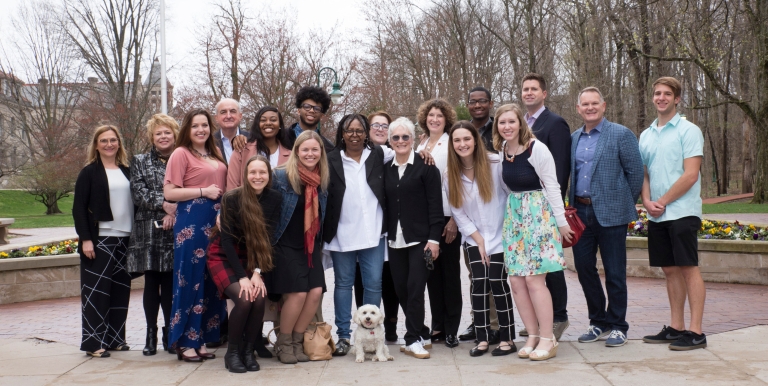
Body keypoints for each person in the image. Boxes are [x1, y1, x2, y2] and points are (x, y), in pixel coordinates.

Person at [494, 103, 573, 361]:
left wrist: (561, 223)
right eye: (502, 122)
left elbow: (552, 185)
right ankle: (532, 335)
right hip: (515, 218)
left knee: (534, 280)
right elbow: (506, 189)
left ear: (521, 123)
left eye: (511, 122)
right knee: (516, 281)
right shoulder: (503, 151)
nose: (507, 127)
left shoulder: (536, 148)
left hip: (539, 215)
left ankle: (548, 338)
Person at [569, 87, 643, 348]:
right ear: (578, 108)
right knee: (584, 269)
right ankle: (598, 321)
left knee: (614, 271)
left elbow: (635, 173)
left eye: (594, 103)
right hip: (580, 212)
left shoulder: (621, 134)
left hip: (612, 214)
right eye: (585, 104)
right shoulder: (574, 138)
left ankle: (618, 325)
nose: (590, 108)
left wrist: (622, 203)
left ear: (604, 105)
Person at [640, 77, 707, 351]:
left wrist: (663, 200)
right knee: (669, 270)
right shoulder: (645, 135)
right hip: (657, 213)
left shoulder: (689, 131)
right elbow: (644, 174)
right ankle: (676, 327)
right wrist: (646, 200)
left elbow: (691, 175)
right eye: (657, 93)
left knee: (688, 268)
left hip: (682, 211)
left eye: (667, 94)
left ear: (677, 99)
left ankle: (696, 332)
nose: (661, 98)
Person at [445, 121, 516, 357]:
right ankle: (482, 338)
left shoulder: (495, 164)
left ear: (475, 140)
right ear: (452, 144)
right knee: (478, 284)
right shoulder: (450, 174)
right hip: (474, 238)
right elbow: (458, 211)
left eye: (466, 139)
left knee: (498, 282)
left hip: (501, 235)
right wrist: (478, 240)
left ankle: (506, 338)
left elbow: (509, 196)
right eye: (457, 140)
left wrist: (505, 235)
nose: (462, 144)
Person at [324, 114, 392, 356]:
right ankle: (343, 335)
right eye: (349, 130)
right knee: (343, 284)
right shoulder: (331, 158)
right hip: (342, 231)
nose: (354, 134)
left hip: (372, 230)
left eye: (359, 130)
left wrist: (423, 152)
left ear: (366, 133)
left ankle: (373, 337)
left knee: (373, 284)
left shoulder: (379, 154)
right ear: (342, 134)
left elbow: (407, 153)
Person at [207, 155, 282, 372]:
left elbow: (268, 238)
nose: (257, 177)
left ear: (269, 175)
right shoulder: (232, 198)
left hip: (253, 256)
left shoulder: (274, 198)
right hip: (223, 254)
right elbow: (227, 242)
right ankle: (232, 353)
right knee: (244, 298)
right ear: (245, 175)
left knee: (258, 298)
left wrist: (257, 272)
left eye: (262, 172)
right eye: (253, 172)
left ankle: (248, 352)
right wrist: (243, 277)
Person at [164, 108, 227, 362]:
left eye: (204, 125)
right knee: (189, 278)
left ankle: (200, 338)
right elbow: (169, 193)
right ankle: (184, 341)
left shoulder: (215, 153)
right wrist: (202, 191)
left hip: (217, 222)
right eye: (194, 126)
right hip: (192, 221)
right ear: (187, 130)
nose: (200, 129)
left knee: (211, 279)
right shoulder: (180, 153)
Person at [384, 117, 444, 359]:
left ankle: (412, 339)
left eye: (405, 137)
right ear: (390, 141)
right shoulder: (385, 168)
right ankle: (421, 331)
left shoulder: (426, 166)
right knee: (402, 290)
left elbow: (435, 206)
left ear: (412, 139)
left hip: (421, 239)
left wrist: (434, 239)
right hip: (394, 240)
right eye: (396, 137)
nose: (400, 141)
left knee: (415, 287)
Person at [518, 73, 572, 341]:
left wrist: (555, 211)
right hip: (525, 212)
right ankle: (542, 321)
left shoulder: (555, 124)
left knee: (550, 265)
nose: (529, 93)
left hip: (546, 208)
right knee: (535, 267)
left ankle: (559, 317)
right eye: (525, 89)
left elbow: (559, 171)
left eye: (534, 89)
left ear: (544, 93)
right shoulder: (521, 124)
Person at [72, 125, 134, 358]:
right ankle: (93, 343)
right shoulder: (89, 172)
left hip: (125, 238)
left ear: (119, 143)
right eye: (104, 140)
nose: (109, 144)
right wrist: (86, 239)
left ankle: (116, 339)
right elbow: (78, 208)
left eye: (113, 140)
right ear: (96, 145)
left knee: (120, 291)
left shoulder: (127, 171)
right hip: (100, 239)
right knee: (96, 293)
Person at [270, 131, 329, 364]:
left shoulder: (322, 177)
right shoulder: (281, 176)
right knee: (297, 293)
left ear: (321, 152)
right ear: (296, 151)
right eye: (305, 149)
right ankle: (283, 343)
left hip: (310, 245)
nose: (310, 154)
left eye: (315, 149)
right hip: (284, 243)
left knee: (315, 293)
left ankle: (296, 341)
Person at [127, 114, 178, 356]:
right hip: (148, 228)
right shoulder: (138, 161)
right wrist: (165, 204)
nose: (163, 136)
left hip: (176, 226)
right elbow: (139, 193)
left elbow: (186, 188)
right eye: (159, 133)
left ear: (175, 134)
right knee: (151, 282)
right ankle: (150, 333)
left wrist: (173, 211)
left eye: (167, 132)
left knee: (169, 281)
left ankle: (170, 333)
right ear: (152, 137)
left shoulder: (182, 158)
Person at [415, 99, 463, 348]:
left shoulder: (451, 143)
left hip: (448, 215)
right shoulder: (422, 142)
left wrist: (455, 218)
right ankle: (438, 326)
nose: (435, 119)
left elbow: (457, 180)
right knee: (432, 275)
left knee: (450, 275)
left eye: (439, 116)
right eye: (431, 115)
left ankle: (452, 328)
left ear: (446, 120)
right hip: (427, 218)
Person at [460, 87, 501, 344]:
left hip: (495, 216)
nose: (477, 106)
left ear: (490, 103)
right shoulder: (461, 131)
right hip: (469, 217)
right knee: (476, 277)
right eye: (473, 102)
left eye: (482, 101)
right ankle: (479, 322)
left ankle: (495, 326)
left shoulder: (498, 131)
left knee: (496, 276)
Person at [366, 110, 400, 342]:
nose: (380, 128)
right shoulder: (358, 155)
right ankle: (366, 327)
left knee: (390, 281)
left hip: (389, 229)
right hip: (365, 231)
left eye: (384, 125)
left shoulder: (394, 156)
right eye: (375, 125)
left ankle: (390, 326)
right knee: (366, 281)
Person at [227, 106, 292, 190]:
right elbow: (232, 186)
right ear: (257, 125)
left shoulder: (291, 156)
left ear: (280, 125)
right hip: (246, 202)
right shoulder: (242, 149)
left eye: (273, 120)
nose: (268, 123)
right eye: (263, 120)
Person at [286, 86, 335, 152]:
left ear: (322, 115)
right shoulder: (281, 138)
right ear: (299, 111)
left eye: (317, 108)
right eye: (307, 106)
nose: (311, 110)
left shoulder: (328, 147)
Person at [213, 98, 249, 164]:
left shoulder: (252, 139)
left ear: (240, 116)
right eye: (223, 112)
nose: (228, 116)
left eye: (232, 111)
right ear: (216, 118)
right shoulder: (209, 142)